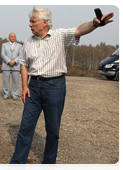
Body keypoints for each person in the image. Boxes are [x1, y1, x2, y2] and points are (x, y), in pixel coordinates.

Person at [7, 6, 114, 170]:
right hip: (34, 87)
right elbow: (23, 65)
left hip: (55, 86)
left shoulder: (60, 35)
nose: (30, 25)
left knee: (53, 129)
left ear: (44, 22)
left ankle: (49, 164)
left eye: (32, 21)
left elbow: (79, 30)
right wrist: (24, 86)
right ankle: (17, 164)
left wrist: (95, 23)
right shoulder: (28, 41)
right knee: (26, 127)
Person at [1, 33, 22, 100]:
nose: (13, 38)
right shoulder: (4, 45)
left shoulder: (20, 46)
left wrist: (15, 61)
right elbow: (2, 54)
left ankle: (14, 94)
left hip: (16, 65)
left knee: (16, 81)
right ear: (9, 37)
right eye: (12, 36)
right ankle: (6, 94)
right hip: (6, 65)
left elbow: (20, 55)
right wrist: (9, 61)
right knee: (5, 80)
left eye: (14, 36)